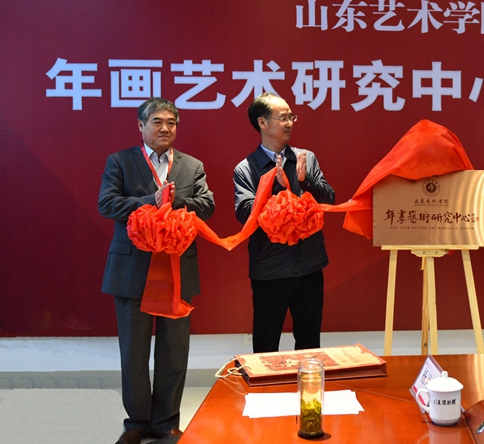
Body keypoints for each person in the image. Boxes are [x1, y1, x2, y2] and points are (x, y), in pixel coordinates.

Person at [98, 98, 215, 444]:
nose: (165, 128)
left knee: (174, 350)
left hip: (177, 269)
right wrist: (151, 200)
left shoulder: (192, 166)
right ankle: (136, 423)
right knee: (133, 352)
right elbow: (107, 203)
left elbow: (207, 205)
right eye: (157, 122)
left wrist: (175, 201)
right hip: (132, 269)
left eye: (171, 123)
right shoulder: (120, 161)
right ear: (141, 125)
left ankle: (166, 422)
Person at [234, 93, 335, 353]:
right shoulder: (246, 168)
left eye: (291, 117)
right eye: (283, 118)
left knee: (310, 345)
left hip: (309, 267)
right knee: (266, 348)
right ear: (262, 123)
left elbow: (329, 198)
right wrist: (275, 189)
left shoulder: (305, 158)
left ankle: (308, 382)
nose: (289, 123)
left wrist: (306, 181)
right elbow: (245, 214)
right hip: (270, 271)